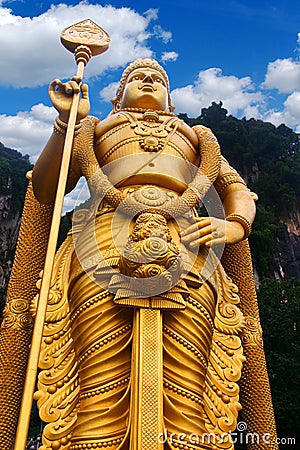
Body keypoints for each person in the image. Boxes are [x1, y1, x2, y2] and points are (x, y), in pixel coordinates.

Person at [1, 58, 278, 450]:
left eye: (157, 80)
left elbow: (235, 188)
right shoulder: (95, 130)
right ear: (117, 98)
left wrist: (234, 225)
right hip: (103, 242)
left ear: (171, 99)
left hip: (186, 243)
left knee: (188, 373)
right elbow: (47, 188)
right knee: (98, 365)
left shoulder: (194, 137)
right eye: (137, 78)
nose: (148, 82)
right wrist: (66, 124)